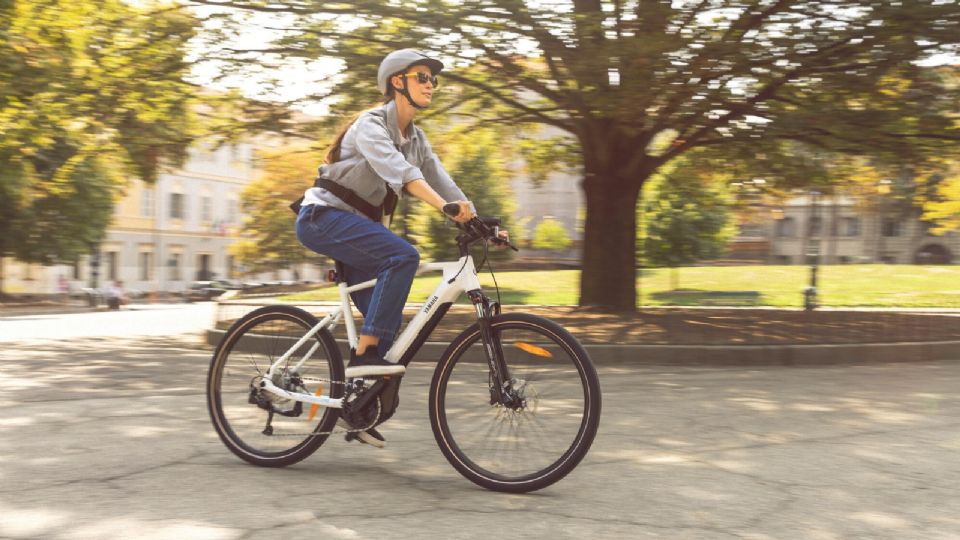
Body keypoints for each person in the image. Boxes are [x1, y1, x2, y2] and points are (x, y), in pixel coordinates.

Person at [294, 49, 480, 447]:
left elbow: (440, 178)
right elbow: (402, 174)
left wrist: (476, 217)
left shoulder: (417, 138)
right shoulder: (370, 125)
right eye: (422, 77)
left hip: (356, 229)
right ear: (398, 82)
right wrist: (445, 209)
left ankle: (358, 407)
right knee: (403, 256)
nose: (431, 85)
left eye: (433, 79)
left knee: (391, 330)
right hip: (322, 219)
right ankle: (362, 364)